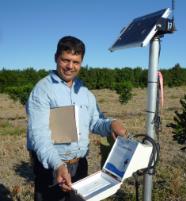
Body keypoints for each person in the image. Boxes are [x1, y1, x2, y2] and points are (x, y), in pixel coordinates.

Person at [26, 36, 127, 201]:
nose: (70, 67)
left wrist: (111, 124)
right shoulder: (43, 91)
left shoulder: (84, 92)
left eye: (76, 62)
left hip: (79, 165)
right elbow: (39, 136)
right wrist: (58, 165)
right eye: (65, 60)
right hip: (52, 168)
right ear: (56, 58)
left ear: (81, 62)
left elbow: (95, 122)